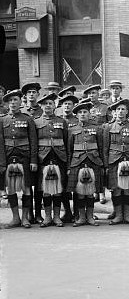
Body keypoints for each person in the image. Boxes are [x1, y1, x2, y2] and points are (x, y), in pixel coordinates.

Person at [103, 99, 129, 225]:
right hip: (114, 161)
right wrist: (106, 165)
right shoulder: (108, 127)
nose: (120, 112)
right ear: (114, 112)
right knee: (116, 189)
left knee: (127, 189)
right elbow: (105, 148)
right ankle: (118, 215)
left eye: (123, 109)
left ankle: (127, 215)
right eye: (118, 109)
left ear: (127, 112)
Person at [34, 93, 69, 228]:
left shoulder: (62, 121)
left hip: (59, 157)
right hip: (43, 158)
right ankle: (47, 217)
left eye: (50, 103)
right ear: (41, 106)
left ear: (55, 106)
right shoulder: (36, 122)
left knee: (58, 188)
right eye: (45, 104)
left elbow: (66, 142)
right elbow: (34, 142)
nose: (48, 106)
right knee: (45, 189)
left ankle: (57, 217)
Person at [67, 101, 104, 227]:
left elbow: (101, 147)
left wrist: (102, 164)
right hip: (77, 162)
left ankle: (90, 217)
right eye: (80, 112)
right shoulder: (71, 130)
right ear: (76, 115)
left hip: (93, 161)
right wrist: (68, 166)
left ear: (89, 114)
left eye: (85, 112)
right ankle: (81, 217)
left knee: (91, 191)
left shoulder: (97, 129)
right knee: (80, 192)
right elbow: (69, 149)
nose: (82, 114)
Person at [2, 90, 33, 228]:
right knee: (11, 189)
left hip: (24, 157)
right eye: (10, 101)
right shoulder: (2, 119)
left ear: (21, 102)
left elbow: (33, 141)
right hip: (9, 157)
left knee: (26, 188)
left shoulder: (27, 119)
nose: (12, 103)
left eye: (15, 100)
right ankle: (15, 218)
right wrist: (2, 162)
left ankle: (25, 218)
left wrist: (33, 160)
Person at [21, 82, 44, 223]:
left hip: (41, 151)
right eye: (29, 92)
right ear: (25, 95)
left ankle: (38, 214)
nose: (31, 94)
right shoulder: (22, 112)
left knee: (39, 185)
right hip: (26, 152)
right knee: (28, 184)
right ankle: (28, 213)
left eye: (34, 92)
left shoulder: (43, 111)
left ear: (38, 94)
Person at [56, 91, 80, 223]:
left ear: (73, 106)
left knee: (76, 185)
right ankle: (67, 212)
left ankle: (77, 212)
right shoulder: (58, 120)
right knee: (63, 186)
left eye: (69, 104)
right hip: (60, 156)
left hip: (74, 156)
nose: (67, 106)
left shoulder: (77, 121)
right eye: (64, 104)